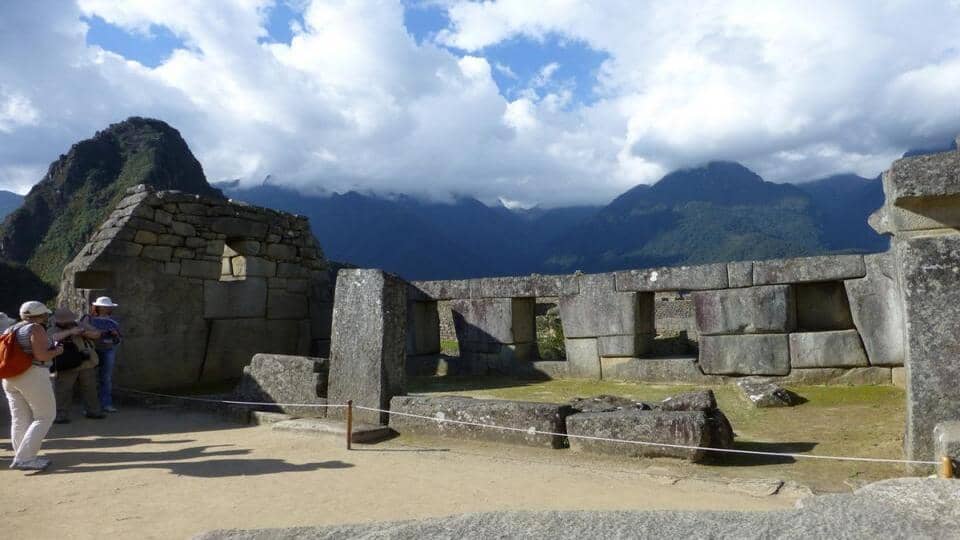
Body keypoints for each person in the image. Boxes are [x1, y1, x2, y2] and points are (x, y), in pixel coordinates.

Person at [2, 301, 62, 471]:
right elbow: (41, 355)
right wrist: (57, 351)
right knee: (45, 416)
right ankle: (26, 458)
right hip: (32, 374)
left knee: (19, 418)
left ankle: (21, 455)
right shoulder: (35, 328)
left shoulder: (11, 329)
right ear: (41, 315)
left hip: (10, 377)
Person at [49, 308, 105, 424]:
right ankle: (61, 415)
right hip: (66, 364)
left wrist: (84, 332)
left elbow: (97, 334)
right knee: (63, 390)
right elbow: (51, 339)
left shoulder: (81, 325)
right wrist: (70, 332)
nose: (67, 322)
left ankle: (94, 411)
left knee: (90, 388)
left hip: (87, 362)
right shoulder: (53, 329)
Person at [83, 297, 122, 413]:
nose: (105, 308)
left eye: (107, 306)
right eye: (103, 306)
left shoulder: (113, 321)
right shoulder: (88, 319)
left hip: (109, 350)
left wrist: (114, 335)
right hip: (92, 350)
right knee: (89, 378)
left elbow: (119, 339)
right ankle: (91, 406)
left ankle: (106, 404)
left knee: (106, 378)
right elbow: (82, 330)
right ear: (97, 307)